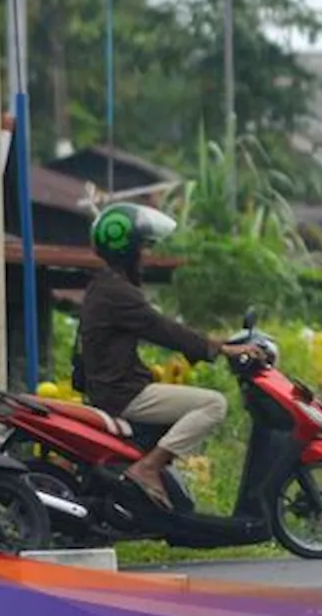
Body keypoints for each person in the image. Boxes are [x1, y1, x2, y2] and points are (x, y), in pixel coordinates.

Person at [76, 203, 263, 511]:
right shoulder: (119, 293)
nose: (146, 256)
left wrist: (197, 352)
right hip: (123, 394)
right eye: (143, 248)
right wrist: (221, 348)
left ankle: (155, 475)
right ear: (128, 251)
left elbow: (155, 332)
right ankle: (148, 468)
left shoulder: (106, 286)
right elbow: (163, 329)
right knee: (214, 404)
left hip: (113, 389)